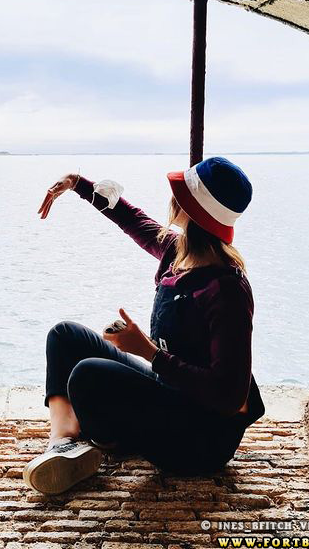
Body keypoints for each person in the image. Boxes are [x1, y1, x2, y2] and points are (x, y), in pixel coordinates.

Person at [22, 156, 265, 495]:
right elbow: (132, 219)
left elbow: (229, 396)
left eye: (179, 193)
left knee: (88, 376)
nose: (171, 198)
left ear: (191, 209)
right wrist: (77, 183)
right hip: (170, 394)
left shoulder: (227, 290)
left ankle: (112, 438)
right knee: (64, 336)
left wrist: (148, 352)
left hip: (201, 439)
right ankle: (63, 444)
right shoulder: (178, 252)